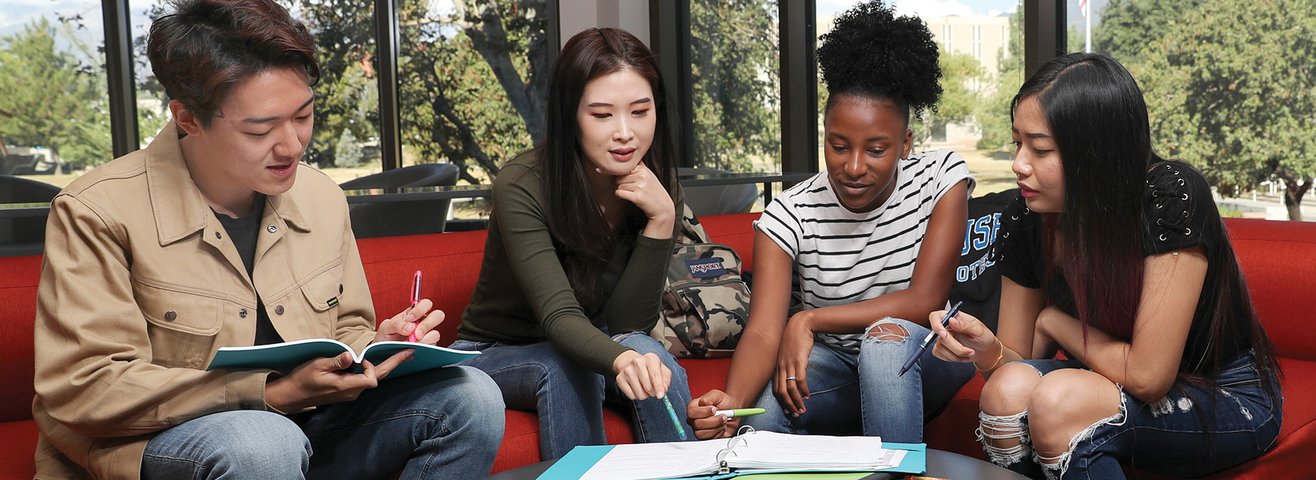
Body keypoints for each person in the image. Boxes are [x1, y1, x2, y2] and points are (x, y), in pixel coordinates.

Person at [31, 1, 504, 478]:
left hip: (306, 430)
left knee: (471, 395)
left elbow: (345, 333)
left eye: (303, 116)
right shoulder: (96, 211)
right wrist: (271, 394)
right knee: (261, 441)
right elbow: (86, 389)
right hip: (155, 447)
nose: (292, 145)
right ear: (187, 118)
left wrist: (376, 348)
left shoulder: (320, 196)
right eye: (260, 128)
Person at [930, 52, 1283, 479]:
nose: (1019, 164)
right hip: (1105, 376)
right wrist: (986, 350)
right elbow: (1015, 364)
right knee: (1006, 391)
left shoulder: (1169, 198)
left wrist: (1055, 322)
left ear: (1096, 154)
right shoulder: (1027, 215)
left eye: (1040, 149)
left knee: (1059, 400)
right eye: (1017, 143)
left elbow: (1148, 375)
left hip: (1222, 389)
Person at [686, 0, 975, 443]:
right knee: (760, 416)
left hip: (926, 357)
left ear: (905, 144)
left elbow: (924, 299)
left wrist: (808, 320)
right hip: (840, 367)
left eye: (876, 149)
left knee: (884, 342)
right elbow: (764, 330)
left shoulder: (941, 179)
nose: (854, 166)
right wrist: (730, 405)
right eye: (839, 146)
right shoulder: (789, 214)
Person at [450, 27, 691, 460]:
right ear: (570, 116)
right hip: (495, 352)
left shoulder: (659, 187)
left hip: (591, 340)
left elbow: (626, 325)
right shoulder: (522, 183)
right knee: (566, 366)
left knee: (651, 354)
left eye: (640, 111)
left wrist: (662, 220)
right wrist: (618, 360)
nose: (625, 133)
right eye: (601, 115)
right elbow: (560, 317)